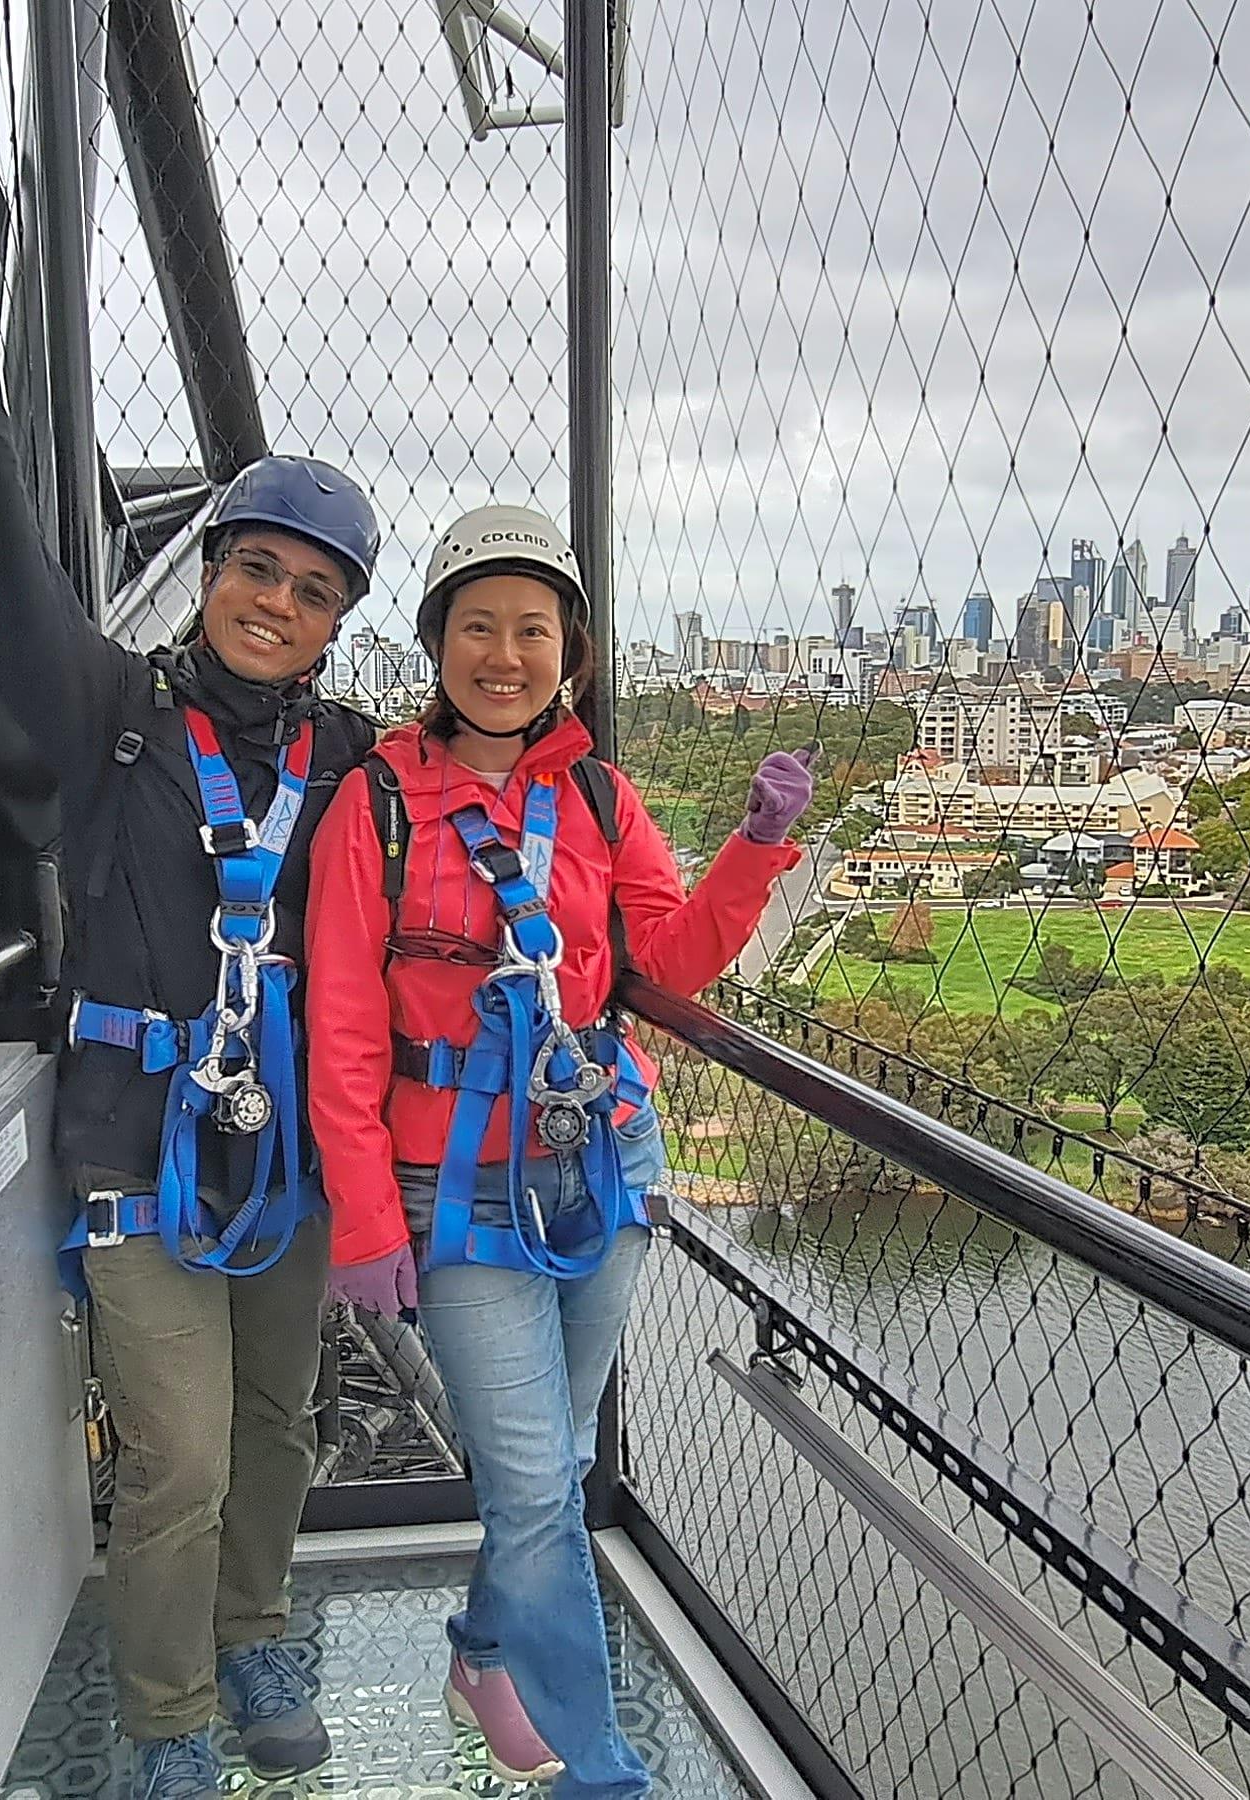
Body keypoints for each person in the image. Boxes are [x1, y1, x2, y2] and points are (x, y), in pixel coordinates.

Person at [0, 173, 379, 1799]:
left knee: (285, 1426)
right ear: (216, 567)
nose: (274, 605)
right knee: (179, 1455)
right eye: (258, 570)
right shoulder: (113, 720)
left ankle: (255, 1632)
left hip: (282, 1149)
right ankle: (165, 1720)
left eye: (312, 593)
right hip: (142, 1141)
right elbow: (2, 579)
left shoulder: (357, 765)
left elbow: (478, 851)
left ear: (334, 627)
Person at [301, 506, 811, 1795]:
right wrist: (364, 1218)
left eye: (535, 629)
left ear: (569, 655)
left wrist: (752, 853)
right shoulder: (376, 805)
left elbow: (669, 964)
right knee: (534, 1487)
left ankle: (486, 1649)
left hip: (599, 1165)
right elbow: (345, 1024)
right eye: (480, 625)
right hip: (456, 1183)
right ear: (436, 643)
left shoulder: (595, 794)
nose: (507, 653)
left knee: (559, 1466)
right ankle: (601, 1768)